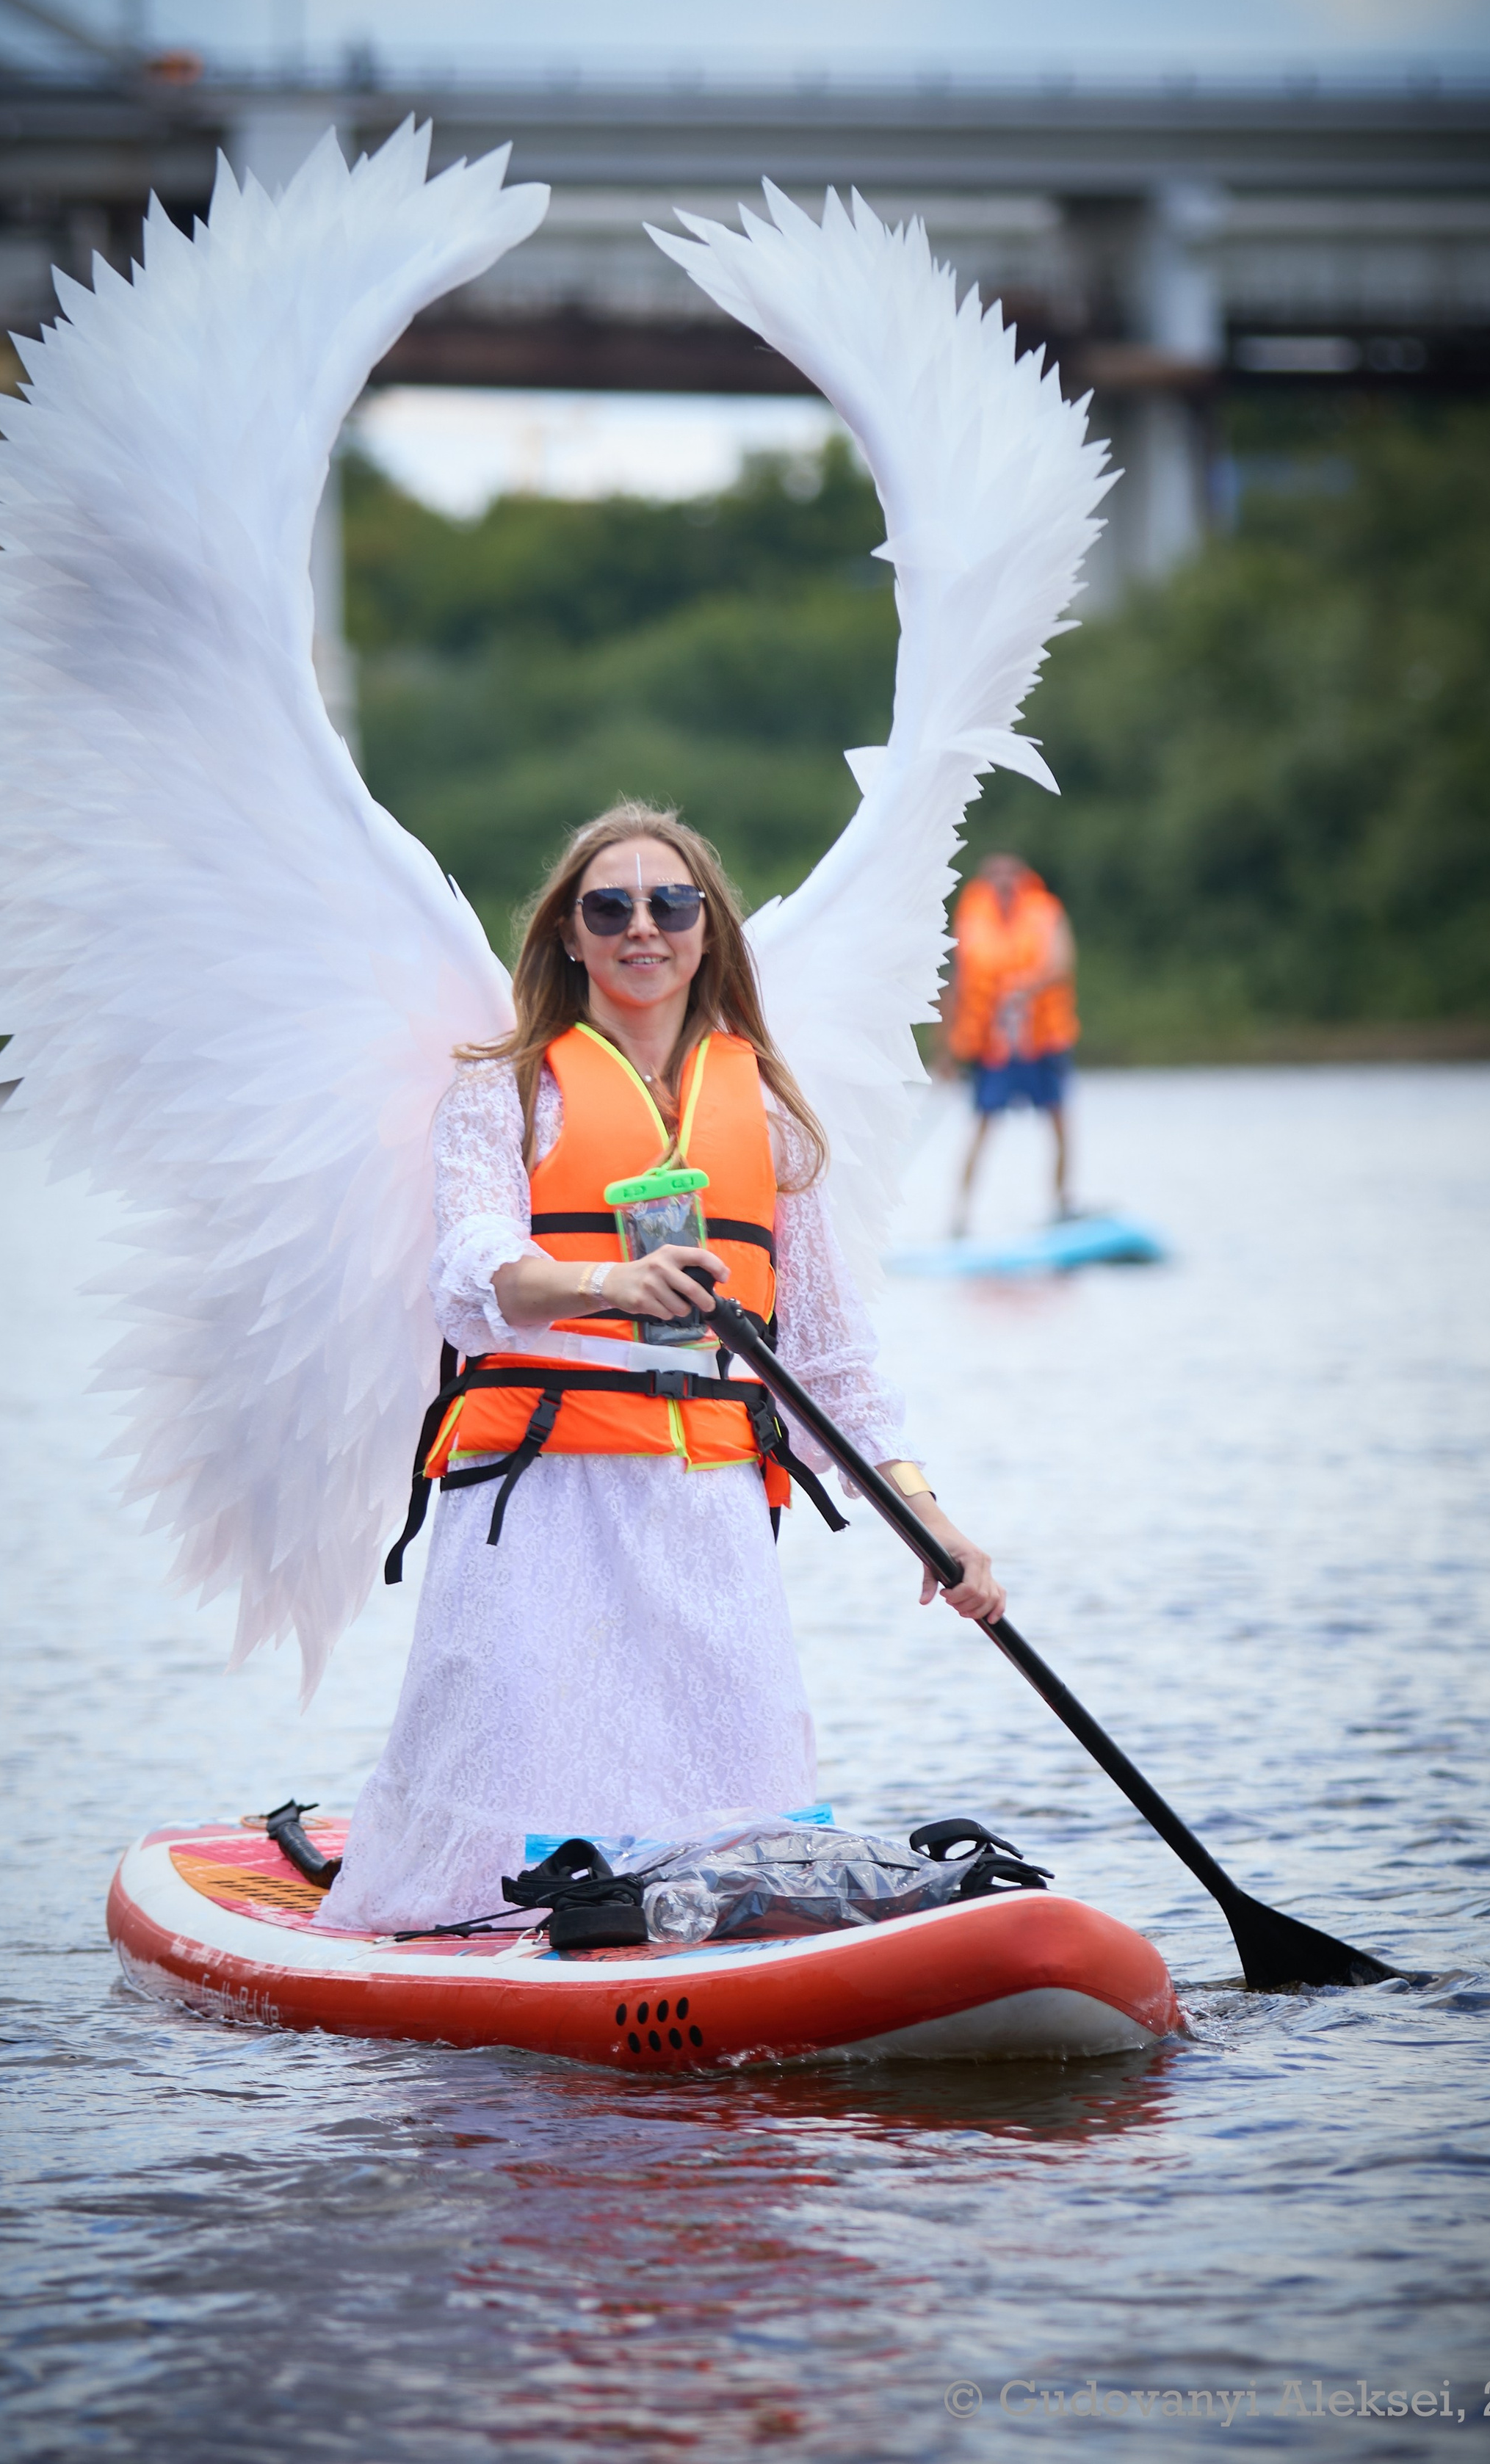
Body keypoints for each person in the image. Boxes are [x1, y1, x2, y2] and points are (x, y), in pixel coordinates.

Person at [319, 804, 1008, 1936]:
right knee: (527, 1769)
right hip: (542, 1501)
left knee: (734, 1789)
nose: (643, 927)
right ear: (569, 935)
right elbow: (473, 1273)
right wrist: (611, 1285)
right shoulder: (505, 1089)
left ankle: (721, 1932)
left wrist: (932, 1522)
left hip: (707, 1510)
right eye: (610, 907)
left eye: (670, 903)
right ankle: (471, 1919)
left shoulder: (768, 1112)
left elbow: (829, 1357)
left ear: (706, 929)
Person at [945, 852, 1079, 1236]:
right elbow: (957, 982)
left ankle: (1062, 1204)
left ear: (1022, 878)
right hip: (993, 1045)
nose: (1003, 881)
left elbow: (1062, 962)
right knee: (982, 1124)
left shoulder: (1046, 913)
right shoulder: (972, 918)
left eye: (1010, 874)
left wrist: (1023, 989)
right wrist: (947, 1051)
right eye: (996, 875)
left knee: (1058, 1120)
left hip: (1042, 1039)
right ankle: (960, 1217)